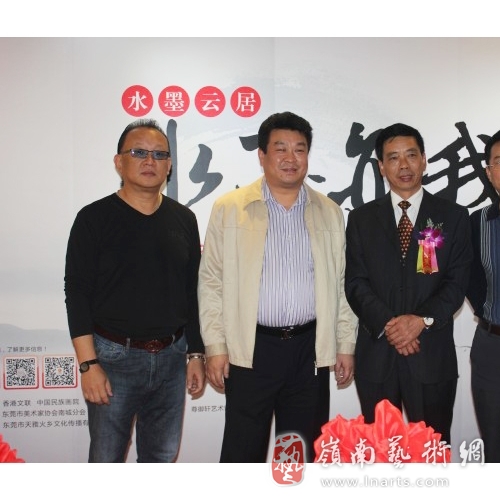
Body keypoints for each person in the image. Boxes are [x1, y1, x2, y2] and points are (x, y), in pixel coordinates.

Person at [198, 111, 358, 463]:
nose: (290, 158)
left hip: (308, 349)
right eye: (280, 148)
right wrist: (216, 345)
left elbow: (341, 283)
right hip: (250, 348)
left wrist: (345, 344)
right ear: (262, 155)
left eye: (299, 149)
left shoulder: (329, 211)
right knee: (243, 453)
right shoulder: (230, 209)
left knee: (300, 452)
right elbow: (211, 281)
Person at [64, 118, 205, 463]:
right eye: (139, 152)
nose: (150, 161)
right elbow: (77, 293)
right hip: (113, 359)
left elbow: (193, 292)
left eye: (160, 154)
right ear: (119, 162)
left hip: (172, 358)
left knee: (161, 458)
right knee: (107, 460)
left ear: (169, 166)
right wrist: (88, 365)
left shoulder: (184, 219)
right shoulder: (93, 218)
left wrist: (196, 354)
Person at [345, 123, 472, 446]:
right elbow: (356, 282)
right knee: (379, 452)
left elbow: (457, 281)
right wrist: (391, 325)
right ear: (381, 166)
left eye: (411, 155)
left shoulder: (453, 216)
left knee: (431, 451)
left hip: (431, 357)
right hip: (377, 357)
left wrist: (420, 321)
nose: (403, 165)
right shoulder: (360, 219)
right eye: (393, 157)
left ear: (424, 160)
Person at [466, 130, 500, 462]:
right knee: (495, 446)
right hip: (492, 349)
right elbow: (471, 281)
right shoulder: (478, 223)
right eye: (499, 161)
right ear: (489, 172)